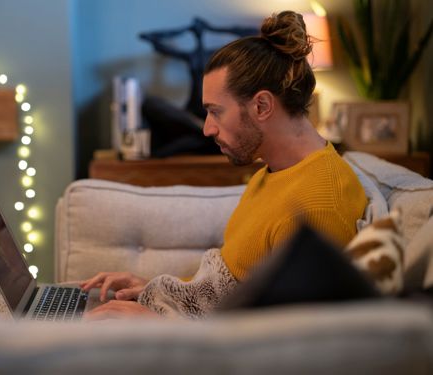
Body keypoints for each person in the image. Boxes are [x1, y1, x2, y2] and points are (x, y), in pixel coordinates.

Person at [80, 11, 368, 320]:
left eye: (216, 112)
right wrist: (154, 289)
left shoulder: (319, 207)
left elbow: (284, 347)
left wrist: (155, 324)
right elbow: (227, 289)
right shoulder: (270, 173)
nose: (207, 129)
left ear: (262, 106)